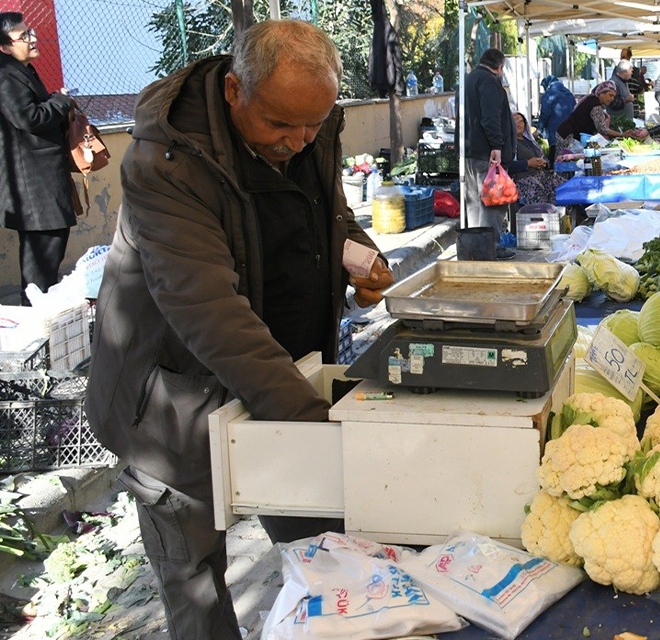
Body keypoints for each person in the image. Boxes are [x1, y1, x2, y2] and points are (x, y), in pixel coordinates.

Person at [86, 21, 396, 640]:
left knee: (329, 548)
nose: (299, 141)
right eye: (282, 125)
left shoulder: (309, 125)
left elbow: (322, 212)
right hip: (174, 401)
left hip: (282, 372)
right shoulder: (164, 161)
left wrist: (358, 253)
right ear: (234, 91)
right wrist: (316, 428)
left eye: (315, 124)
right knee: (196, 579)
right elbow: (208, 310)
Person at [0, 12, 77, 305]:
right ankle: (38, 327)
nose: (32, 38)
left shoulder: (20, 70)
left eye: (29, 31)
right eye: (23, 36)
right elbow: (28, 117)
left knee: (48, 260)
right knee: (39, 268)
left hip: (42, 181)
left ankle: (43, 320)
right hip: (33, 188)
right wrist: (60, 101)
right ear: (5, 47)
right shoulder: (5, 75)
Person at [464, 47, 517, 259]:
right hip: (486, 153)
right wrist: (497, 145)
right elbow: (490, 117)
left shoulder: (469, 79)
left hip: (470, 150)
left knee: (475, 202)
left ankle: (477, 247)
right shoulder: (488, 81)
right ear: (500, 67)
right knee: (491, 202)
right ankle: (491, 247)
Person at [556, 81, 632, 145]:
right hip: (567, 137)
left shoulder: (591, 99)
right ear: (601, 93)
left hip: (565, 134)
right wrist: (622, 135)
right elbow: (602, 129)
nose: (612, 99)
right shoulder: (595, 105)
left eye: (613, 96)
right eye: (610, 95)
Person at [511, 112, 562, 205]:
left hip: (542, 176)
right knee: (540, 191)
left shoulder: (530, 141)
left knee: (564, 187)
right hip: (523, 180)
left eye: (521, 121)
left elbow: (545, 159)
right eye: (515, 121)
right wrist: (528, 163)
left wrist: (544, 164)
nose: (518, 124)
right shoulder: (509, 144)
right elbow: (506, 165)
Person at [538, 75, 575, 145]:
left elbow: (545, 113)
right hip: (569, 130)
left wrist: (539, 129)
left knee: (554, 152)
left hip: (555, 130)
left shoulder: (549, 93)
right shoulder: (569, 93)